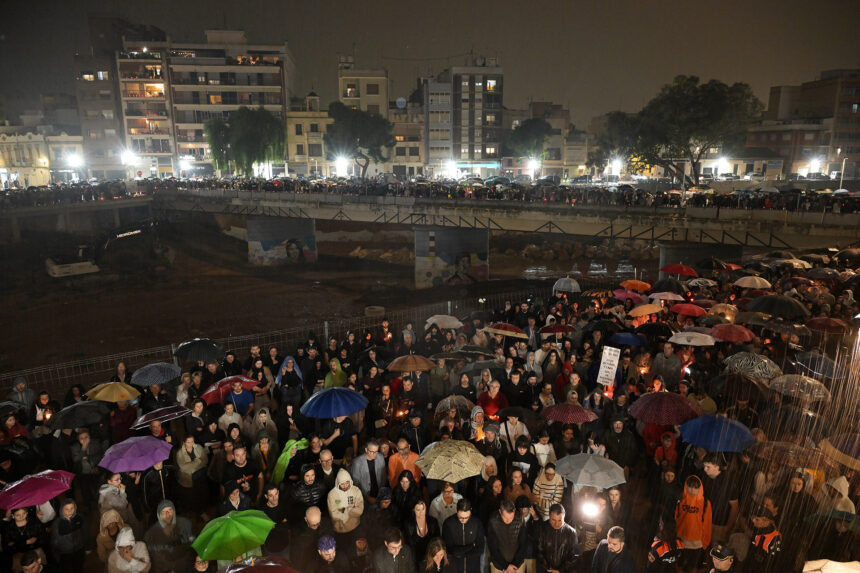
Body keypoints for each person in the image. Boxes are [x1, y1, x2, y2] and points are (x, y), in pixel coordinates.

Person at [143, 500, 195, 573]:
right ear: (159, 514)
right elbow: (155, 557)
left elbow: (192, 545)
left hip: (183, 565)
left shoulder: (185, 524)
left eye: (169, 510)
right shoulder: (151, 534)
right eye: (163, 512)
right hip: (164, 568)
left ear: (174, 511)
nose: (167, 514)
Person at [674, 476, 711, 573]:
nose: (692, 490)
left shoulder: (705, 503)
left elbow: (707, 523)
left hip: (697, 543)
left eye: (695, 487)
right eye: (690, 486)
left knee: (694, 568)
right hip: (681, 540)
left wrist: (706, 542)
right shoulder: (680, 499)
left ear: (700, 488)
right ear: (686, 486)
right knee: (679, 565)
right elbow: (676, 518)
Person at [701, 454, 738, 545]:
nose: (705, 469)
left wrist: (728, 527)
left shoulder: (728, 484)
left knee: (715, 550)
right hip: (706, 520)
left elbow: (735, 507)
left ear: (717, 467)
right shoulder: (707, 478)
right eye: (704, 466)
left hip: (720, 524)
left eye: (708, 467)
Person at [442, 499, 485, 573]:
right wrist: (472, 545)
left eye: (467, 517)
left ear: (471, 511)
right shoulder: (448, 523)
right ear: (456, 510)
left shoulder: (477, 523)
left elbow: (480, 549)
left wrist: (461, 553)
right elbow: (450, 549)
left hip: (473, 568)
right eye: (461, 517)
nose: (464, 520)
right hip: (454, 568)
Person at [536, 503, 579, 573]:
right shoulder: (541, 528)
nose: (556, 524)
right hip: (544, 570)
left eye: (560, 520)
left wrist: (560, 570)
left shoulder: (571, 532)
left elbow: (574, 556)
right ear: (549, 516)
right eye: (553, 520)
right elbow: (538, 551)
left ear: (564, 517)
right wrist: (548, 569)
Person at [488, 499, 529, 573]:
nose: (508, 521)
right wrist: (506, 566)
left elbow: (523, 544)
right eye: (506, 518)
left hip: (517, 566)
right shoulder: (493, 521)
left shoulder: (520, 519)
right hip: (498, 566)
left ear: (515, 511)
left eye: (511, 518)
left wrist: (513, 565)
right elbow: (493, 548)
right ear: (500, 512)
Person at [327, 467, 364, 540]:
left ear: (350, 481)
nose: (345, 486)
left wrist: (344, 510)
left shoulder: (356, 491)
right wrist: (351, 509)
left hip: (355, 526)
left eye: (347, 483)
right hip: (339, 529)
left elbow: (360, 511)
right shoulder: (332, 494)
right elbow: (333, 514)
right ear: (338, 483)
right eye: (342, 484)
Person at [50, 499, 86, 573]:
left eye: (72, 508)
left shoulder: (79, 518)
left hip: (79, 549)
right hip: (65, 553)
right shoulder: (57, 524)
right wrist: (57, 553)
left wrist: (86, 545)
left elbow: (85, 532)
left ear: (75, 508)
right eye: (66, 509)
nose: (70, 511)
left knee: (79, 568)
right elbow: (55, 541)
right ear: (61, 510)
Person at [743, 504, 781, 573]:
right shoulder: (758, 531)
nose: (753, 520)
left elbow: (772, 564)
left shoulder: (775, 538)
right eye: (753, 517)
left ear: (766, 522)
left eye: (757, 519)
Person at [405, 499, 440, 566]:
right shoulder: (408, 524)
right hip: (415, 560)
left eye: (423, 509)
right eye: (418, 510)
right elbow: (407, 544)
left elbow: (437, 541)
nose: (421, 512)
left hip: (431, 558)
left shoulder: (433, 522)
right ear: (413, 510)